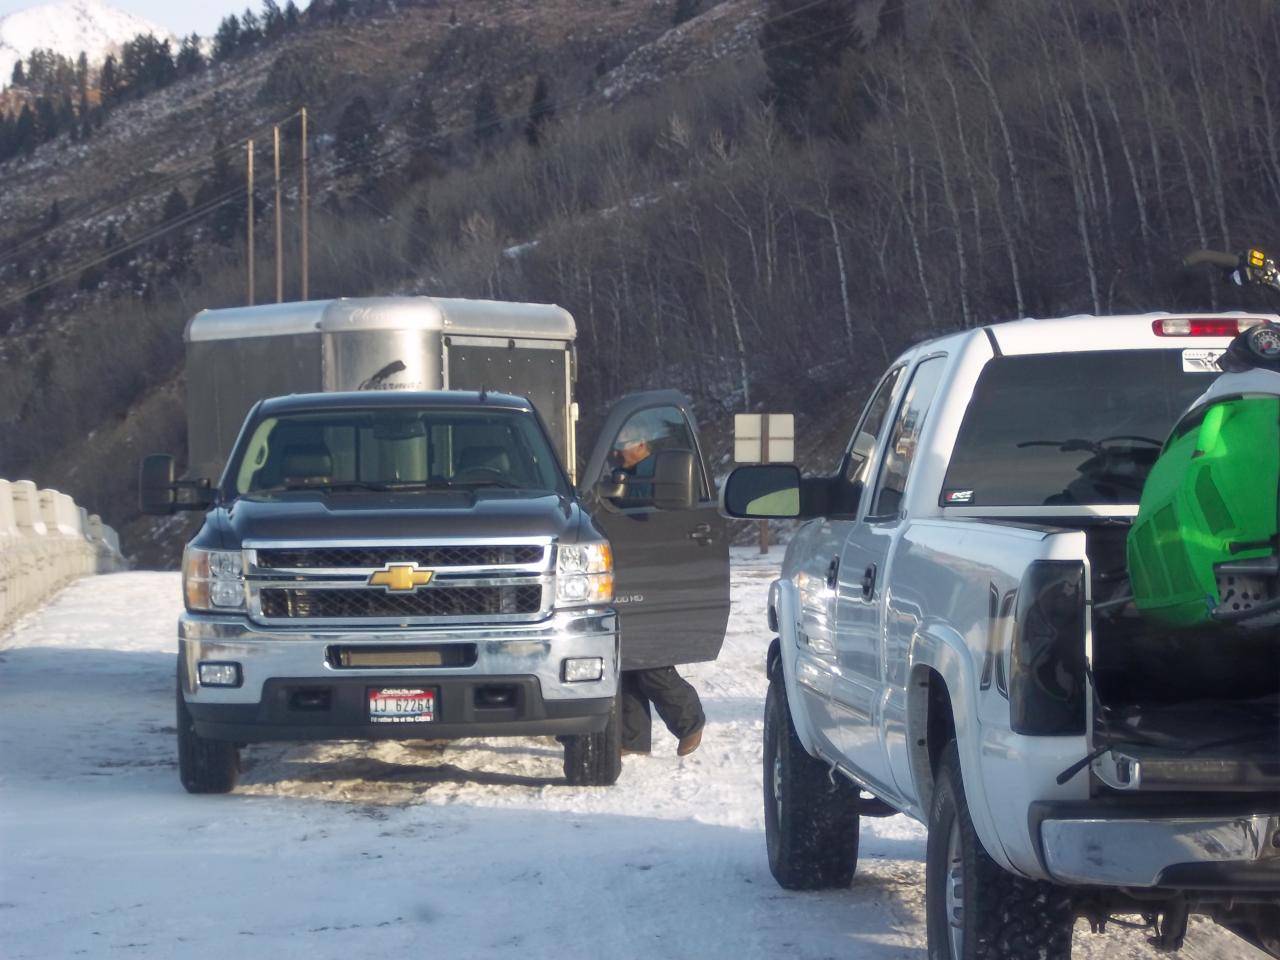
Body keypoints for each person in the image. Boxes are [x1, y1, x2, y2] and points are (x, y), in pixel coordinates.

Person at [607, 413, 706, 757]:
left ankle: (688, 718)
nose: (617, 456)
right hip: (629, 566)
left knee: (645, 656)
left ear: (642, 445)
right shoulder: (629, 473)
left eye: (623, 449)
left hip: (653, 569)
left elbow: (649, 515)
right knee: (624, 658)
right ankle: (630, 740)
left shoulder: (654, 474)